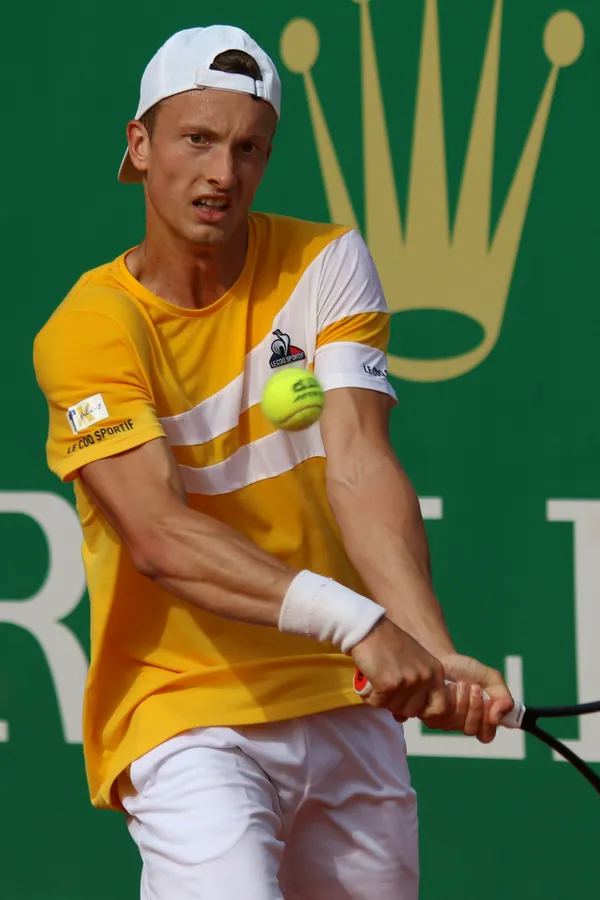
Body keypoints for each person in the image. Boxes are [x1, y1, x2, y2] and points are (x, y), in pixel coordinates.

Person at [33, 24, 514, 900]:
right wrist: (363, 625)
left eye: (249, 148)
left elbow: (361, 465)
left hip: (343, 702)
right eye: (198, 140)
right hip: (183, 715)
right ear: (140, 146)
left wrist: (433, 653)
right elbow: (159, 538)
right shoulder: (89, 329)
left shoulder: (325, 262)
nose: (224, 172)